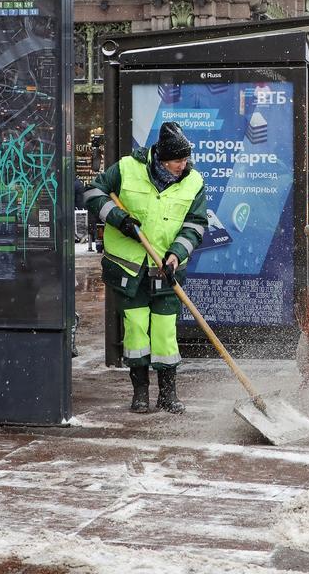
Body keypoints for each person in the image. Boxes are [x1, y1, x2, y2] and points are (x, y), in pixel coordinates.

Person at [83, 122, 208, 415]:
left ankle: (168, 393)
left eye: (185, 159)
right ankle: (140, 392)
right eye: (178, 160)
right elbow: (92, 193)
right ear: (162, 159)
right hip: (130, 271)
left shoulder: (193, 182)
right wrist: (118, 218)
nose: (183, 165)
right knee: (137, 332)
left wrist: (176, 254)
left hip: (166, 270)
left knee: (165, 333)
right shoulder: (127, 168)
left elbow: (195, 225)